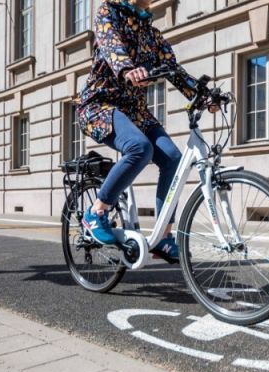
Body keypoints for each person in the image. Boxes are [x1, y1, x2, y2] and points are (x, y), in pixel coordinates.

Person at [75, 0, 205, 263]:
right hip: (99, 105)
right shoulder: (107, 12)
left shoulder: (151, 34)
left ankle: (163, 238)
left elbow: (174, 71)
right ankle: (96, 212)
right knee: (139, 148)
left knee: (174, 160)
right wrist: (127, 69)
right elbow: (112, 47)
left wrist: (204, 96)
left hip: (134, 111)